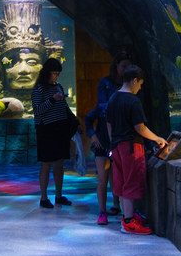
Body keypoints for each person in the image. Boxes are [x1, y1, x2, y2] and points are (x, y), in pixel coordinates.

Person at [106, 65, 167, 235]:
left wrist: (113, 142)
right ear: (134, 80)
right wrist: (157, 138)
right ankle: (129, 222)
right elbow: (140, 127)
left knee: (122, 182)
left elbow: (108, 123)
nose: (139, 88)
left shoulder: (113, 98)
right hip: (131, 147)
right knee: (132, 181)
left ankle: (127, 216)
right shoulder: (133, 101)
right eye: (140, 84)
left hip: (116, 146)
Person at [85, 55, 130, 225]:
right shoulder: (105, 87)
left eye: (128, 66)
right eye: (123, 66)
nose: (125, 69)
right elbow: (89, 118)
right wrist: (93, 135)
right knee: (103, 177)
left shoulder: (128, 91)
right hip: (104, 141)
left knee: (117, 176)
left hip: (119, 141)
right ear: (116, 66)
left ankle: (119, 207)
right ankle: (102, 211)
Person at [30, 56, 75, 208]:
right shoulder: (39, 89)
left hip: (60, 129)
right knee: (46, 164)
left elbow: (65, 107)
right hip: (46, 130)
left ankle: (59, 195)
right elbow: (37, 110)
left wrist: (74, 120)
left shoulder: (58, 87)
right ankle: (43, 198)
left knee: (59, 163)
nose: (56, 76)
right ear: (47, 72)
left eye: (58, 73)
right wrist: (53, 100)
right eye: (54, 73)